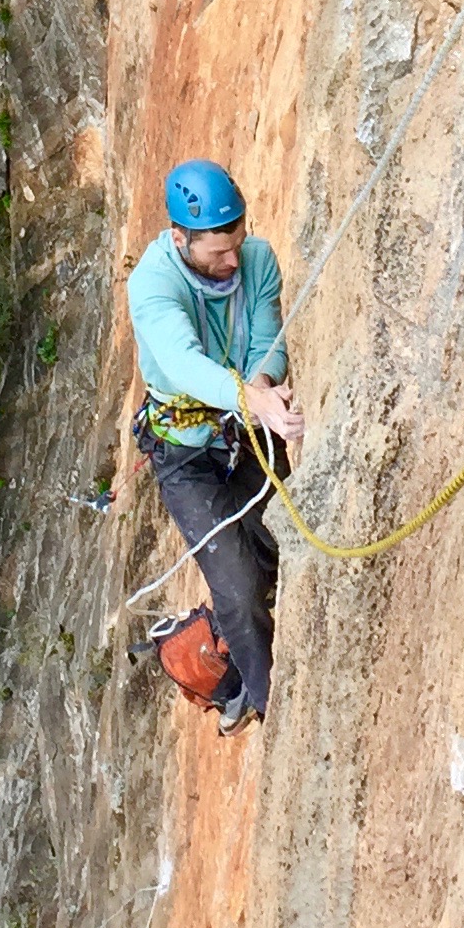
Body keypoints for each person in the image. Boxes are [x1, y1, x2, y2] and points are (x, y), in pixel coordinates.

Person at [126, 159, 302, 733]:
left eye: (237, 243)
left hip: (245, 425)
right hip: (185, 455)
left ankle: (232, 633)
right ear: (180, 239)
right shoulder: (153, 285)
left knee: (274, 546)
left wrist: (265, 385)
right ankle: (269, 700)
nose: (232, 261)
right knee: (239, 585)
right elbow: (181, 363)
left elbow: (269, 339)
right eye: (216, 253)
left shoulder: (257, 260)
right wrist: (254, 400)